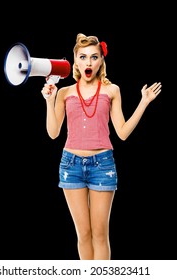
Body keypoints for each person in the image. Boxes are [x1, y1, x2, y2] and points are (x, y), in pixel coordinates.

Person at [41, 33, 162, 260]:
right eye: (83, 57)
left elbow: (123, 133)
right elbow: (53, 133)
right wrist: (49, 101)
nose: (88, 62)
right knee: (83, 234)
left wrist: (144, 102)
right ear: (75, 61)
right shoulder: (64, 93)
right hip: (71, 164)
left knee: (100, 234)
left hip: (102, 165)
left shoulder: (112, 90)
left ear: (101, 61)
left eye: (94, 57)